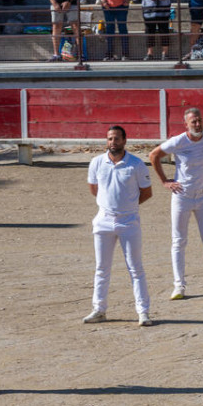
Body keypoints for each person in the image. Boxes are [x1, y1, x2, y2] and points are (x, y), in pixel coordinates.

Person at [148, 107, 203, 299]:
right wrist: (165, 181)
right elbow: (154, 155)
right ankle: (179, 286)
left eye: (199, 120)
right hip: (181, 196)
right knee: (178, 241)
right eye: (193, 121)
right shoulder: (178, 141)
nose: (197, 124)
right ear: (186, 124)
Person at [84, 125, 154, 327]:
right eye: (109, 139)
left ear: (124, 141)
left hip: (129, 221)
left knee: (135, 268)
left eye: (116, 139)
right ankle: (99, 309)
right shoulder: (97, 162)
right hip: (103, 220)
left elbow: (146, 192)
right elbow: (94, 189)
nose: (112, 143)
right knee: (101, 268)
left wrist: (128, 206)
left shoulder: (136, 164)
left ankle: (143, 311)